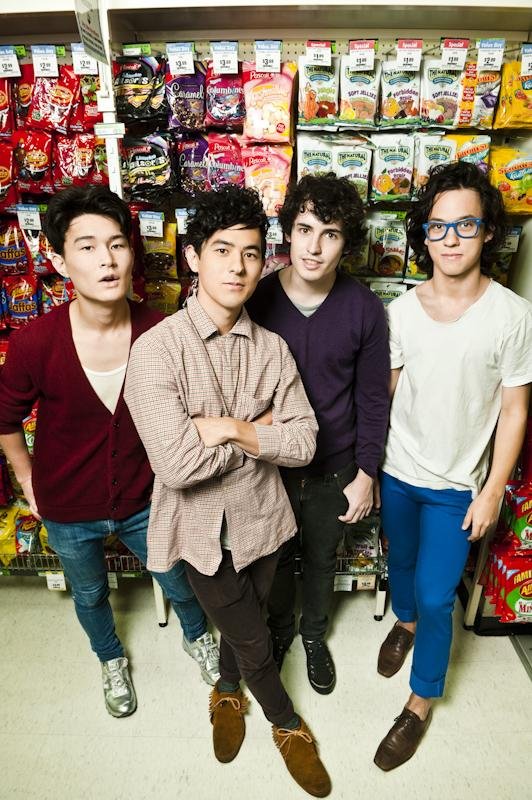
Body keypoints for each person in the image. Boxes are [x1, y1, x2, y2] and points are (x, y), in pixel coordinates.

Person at [124, 186, 331, 798]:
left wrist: (228, 429)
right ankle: (287, 724)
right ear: (193, 257)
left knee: (256, 620)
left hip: (265, 518)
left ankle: (225, 690)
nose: (238, 267)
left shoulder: (273, 349)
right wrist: (261, 434)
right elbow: (177, 465)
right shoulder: (155, 351)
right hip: (197, 528)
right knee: (251, 637)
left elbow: (305, 442)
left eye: (250, 253)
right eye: (221, 250)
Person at [0, 186, 220, 719]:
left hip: (148, 499)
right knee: (90, 594)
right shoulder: (35, 342)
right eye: (88, 246)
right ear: (59, 261)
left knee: (179, 580)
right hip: (68, 507)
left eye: (117, 244)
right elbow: (4, 419)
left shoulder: (160, 331)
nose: (107, 259)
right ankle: (110, 659)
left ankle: (199, 638)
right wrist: (28, 480)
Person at [374, 161, 532, 770]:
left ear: (488, 231)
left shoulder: (512, 316)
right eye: (437, 226)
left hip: (457, 486)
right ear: (424, 234)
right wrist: (368, 467)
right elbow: (385, 396)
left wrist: (492, 490)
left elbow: (515, 411)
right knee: (402, 565)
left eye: (466, 225)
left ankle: (420, 701)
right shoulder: (400, 311)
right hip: (398, 470)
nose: (451, 239)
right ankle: (405, 624)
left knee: (439, 596)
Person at [246, 173, 390, 694]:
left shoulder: (363, 307)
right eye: (304, 229)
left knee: (323, 558)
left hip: (336, 466)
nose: (313, 247)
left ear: (346, 243)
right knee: (277, 556)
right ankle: (281, 629)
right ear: (287, 231)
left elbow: (373, 397)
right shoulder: (258, 298)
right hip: (273, 464)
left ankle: (313, 635)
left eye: (330, 234)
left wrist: (366, 473)